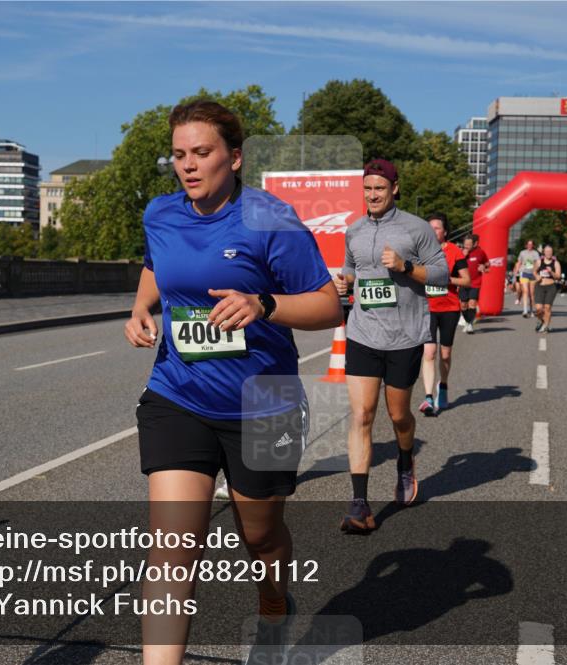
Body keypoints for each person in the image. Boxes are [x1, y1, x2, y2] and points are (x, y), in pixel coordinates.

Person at [125, 100, 342, 665]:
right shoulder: (161, 214)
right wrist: (140, 308)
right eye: (179, 155)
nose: (188, 166)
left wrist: (263, 303)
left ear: (235, 157)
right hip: (180, 395)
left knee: (261, 538)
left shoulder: (271, 219)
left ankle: (274, 606)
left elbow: (328, 305)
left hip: (263, 402)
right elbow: (157, 266)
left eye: (202, 153)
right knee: (171, 552)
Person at [333, 158, 449, 530]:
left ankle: (404, 458)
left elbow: (442, 276)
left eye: (380, 188)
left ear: (394, 189)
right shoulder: (354, 230)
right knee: (362, 415)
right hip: (363, 333)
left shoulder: (416, 229)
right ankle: (359, 506)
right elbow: (352, 269)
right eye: (368, 189)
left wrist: (405, 267)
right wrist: (345, 282)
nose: (373, 195)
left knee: (398, 415)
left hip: (404, 336)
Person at [419, 213, 470, 416]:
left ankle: (444, 385)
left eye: (437, 228)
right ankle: (428, 398)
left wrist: (446, 279)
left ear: (445, 232)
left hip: (449, 308)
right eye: (429, 227)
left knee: (445, 354)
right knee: (429, 352)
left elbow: (466, 280)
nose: (432, 231)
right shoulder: (420, 251)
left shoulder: (455, 252)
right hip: (427, 308)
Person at [460, 233, 489, 334]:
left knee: (472, 303)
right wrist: (462, 256)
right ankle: (468, 322)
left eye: (468, 244)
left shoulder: (480, 252)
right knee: (463, 305)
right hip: (463, 282)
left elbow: (488, 265)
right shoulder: (460, 252)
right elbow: (453, 266)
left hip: (475, 283)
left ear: (475, 244)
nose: (466, 246)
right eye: (465, 244)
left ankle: (469, 324)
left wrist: (484, 268)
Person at [532, 244, 561, 333]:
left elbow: (558, 276)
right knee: (538, 309)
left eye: (550, 251)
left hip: (551, 287)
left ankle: (546, 327)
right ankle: (541, 321)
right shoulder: (539, 262)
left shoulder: (556, 263)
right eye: (547, 251)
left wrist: (551, 272)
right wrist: (537, 277)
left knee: (547, 308)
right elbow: (534, 271)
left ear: (552, 253)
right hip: (539, 286)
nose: (548, 253)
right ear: (544, 252)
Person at [513, 240, 540, 318]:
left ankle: (531, 310)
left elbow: (538, 263)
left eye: (531, 244)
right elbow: (519, 262)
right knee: (525, 291)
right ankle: (525, 310)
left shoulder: (535, 253)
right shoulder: (522, 252)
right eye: (528, 244)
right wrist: (516, 272)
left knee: (532, 294)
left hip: (532, 274)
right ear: (526, 245)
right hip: (524, 272)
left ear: (533, 245)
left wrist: (536, 269)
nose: (529, 245)